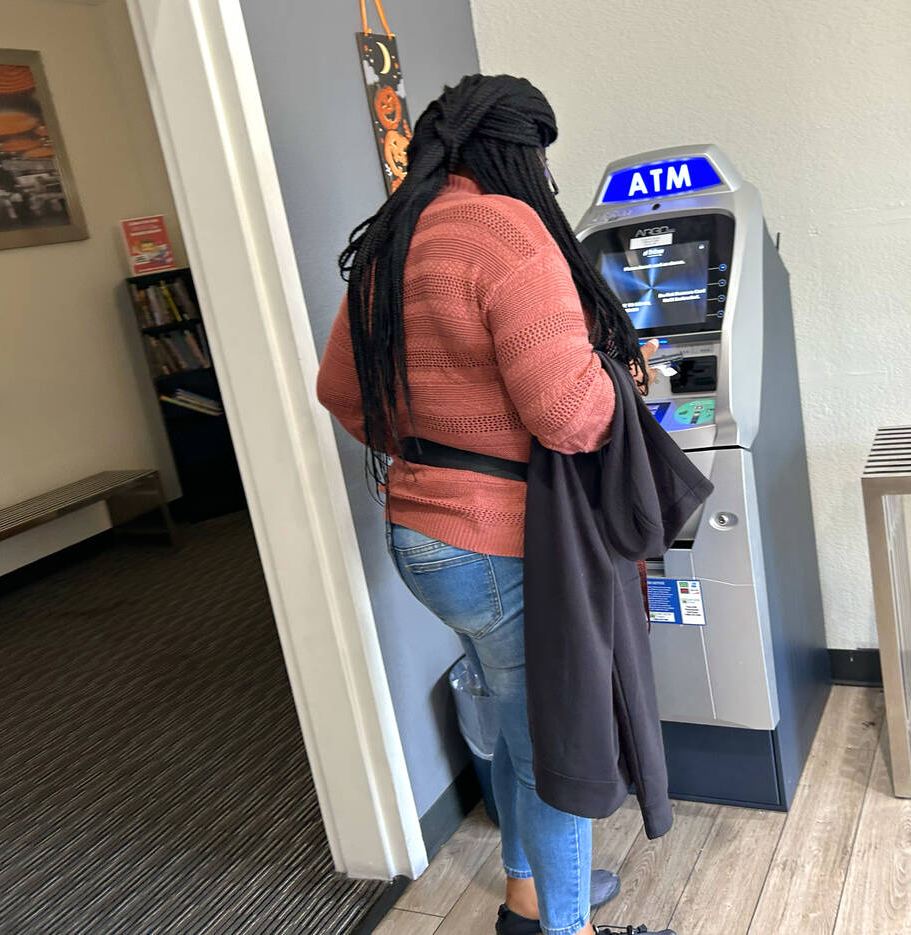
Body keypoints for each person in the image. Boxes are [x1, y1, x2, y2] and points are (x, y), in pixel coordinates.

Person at [315, 75, 669, 935]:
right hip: (504, 543)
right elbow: (569, 414)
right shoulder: (508, 232)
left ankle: (527, 893)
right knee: (553, 739)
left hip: (422, 540)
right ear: (518, 153)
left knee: (516, 721)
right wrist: (621, 378)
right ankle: (566, 925)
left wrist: (432, 446)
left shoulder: (397, 239)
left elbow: (338, 388)